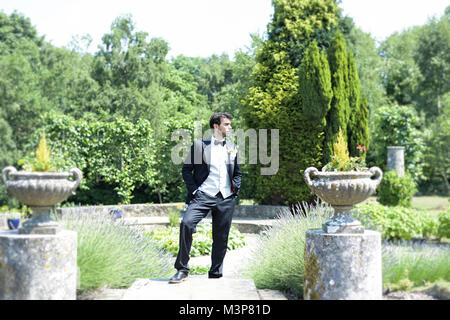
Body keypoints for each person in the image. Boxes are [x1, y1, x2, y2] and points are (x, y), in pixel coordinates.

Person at [169, 112, 242, 283]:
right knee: (186, 223)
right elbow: (186, 170)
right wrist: (195, 191)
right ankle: (182, 269)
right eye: (226, 124)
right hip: (203, 195)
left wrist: (234, 191)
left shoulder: (232, 148)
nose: (230, 127)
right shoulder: (199, 146)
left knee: (221, 236)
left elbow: (237, 173)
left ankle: (216, 272)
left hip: (226, 197)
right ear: (216, 126)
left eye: (230, 124)